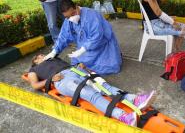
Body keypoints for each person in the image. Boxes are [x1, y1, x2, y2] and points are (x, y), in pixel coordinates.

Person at [28, 54, 156, 126]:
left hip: (75, 70)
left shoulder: (53, 58)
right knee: (90, 94)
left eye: (42, 54)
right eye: (39, 56)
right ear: (35, 62)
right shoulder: (33, 70)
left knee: (104, 86)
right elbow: (34, 85)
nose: (42, 55)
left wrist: (80, 66)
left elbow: (69, 65)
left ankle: (135, 99)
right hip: (62, 80)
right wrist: (50, 79)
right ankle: (123, 116)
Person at [44, 0, 122, 75]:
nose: (71, 18)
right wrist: (54, 51)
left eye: (73, 14)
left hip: (101, 44)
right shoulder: (69, 20)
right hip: (86, 45)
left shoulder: (91, 16)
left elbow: (97, 35)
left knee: (106, 66)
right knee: (79, 61)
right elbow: (63, 36)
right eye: (67, 17)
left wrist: (82, 49)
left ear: (77, 7)